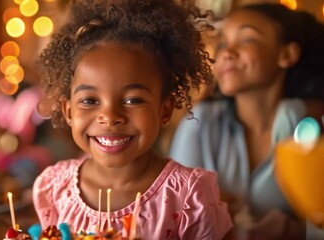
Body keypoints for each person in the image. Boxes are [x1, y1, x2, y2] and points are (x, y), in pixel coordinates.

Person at [32, 0, 233, 239]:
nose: (110, 117)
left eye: (133, 100)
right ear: (68, 112)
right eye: (89, 101)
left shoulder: (189, 196)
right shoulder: (54, 188)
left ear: (164, 110)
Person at [169, 3, 324, 239]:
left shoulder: (310, 126)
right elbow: (177, 218)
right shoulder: (201, 122)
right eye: (222, 44)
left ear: (286, 54)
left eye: (246, 39)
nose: (226, 52)